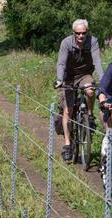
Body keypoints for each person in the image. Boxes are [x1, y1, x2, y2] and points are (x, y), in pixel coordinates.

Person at [54, 19, 104, 161]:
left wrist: (103, 80)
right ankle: (68, 145)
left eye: (83, 33)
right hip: (68, 77)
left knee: (90, 91)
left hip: (84, 75)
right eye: (78, 33)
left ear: (87, 32)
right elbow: (61, 63)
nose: (81, 36)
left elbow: (97, 62)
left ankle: (89, 115)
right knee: (68, 111)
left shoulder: (92, 42)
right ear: (73, 33)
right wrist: (59, 80)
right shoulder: (66, 43)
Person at [97, 63, 112, 187]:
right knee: (110, 134)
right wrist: (103, 101)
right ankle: (105, 161)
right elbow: (102, 88)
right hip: (110, 110)